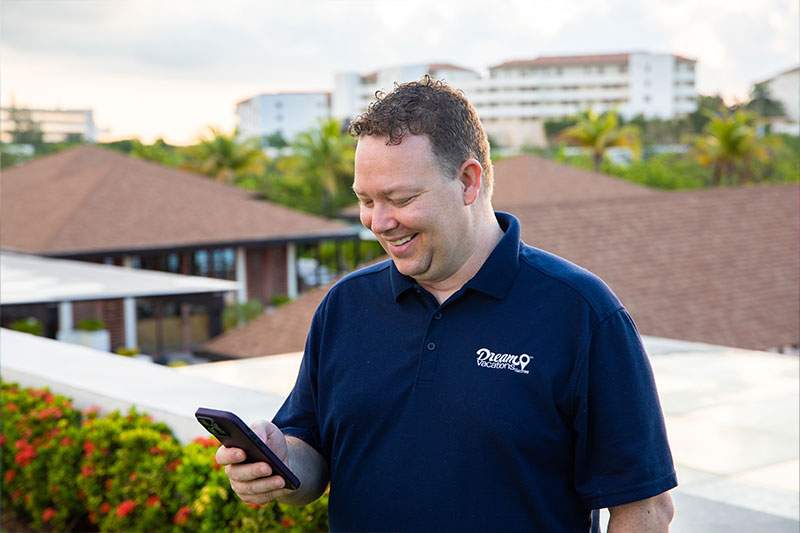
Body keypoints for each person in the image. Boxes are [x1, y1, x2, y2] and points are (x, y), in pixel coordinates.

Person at [217, 77, 677, 532]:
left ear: (468, 181)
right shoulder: (345, 307)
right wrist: (278, 463)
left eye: (401, 198)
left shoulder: (581, 313)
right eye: (365, 200)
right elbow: (311, 460)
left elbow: (645, 508)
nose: (379, 222)